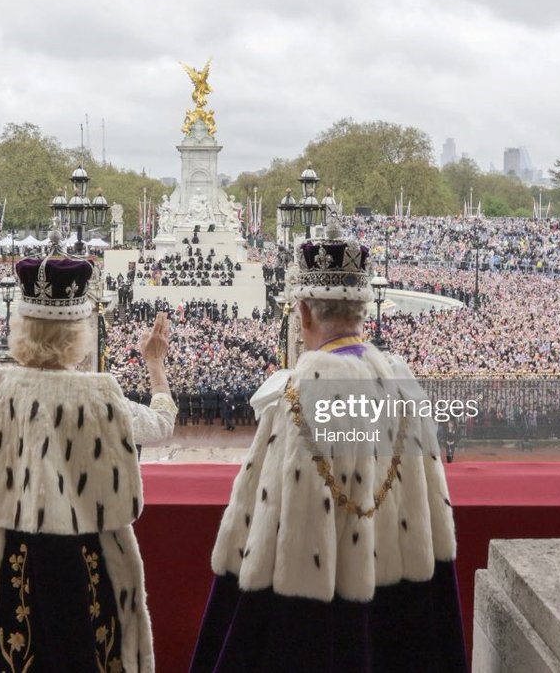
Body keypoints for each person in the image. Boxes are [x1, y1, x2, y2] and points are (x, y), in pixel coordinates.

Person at [190, 220, 466, 672]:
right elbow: (435, 517)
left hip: (320, 618)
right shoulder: (404, 386)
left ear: (303, 314)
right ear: (363, 309)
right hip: (400, 608)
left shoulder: (298, 397)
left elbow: (279, 532)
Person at [0, 238, 176, 673]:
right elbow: (161, 425)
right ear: (79, 333)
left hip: (5, 563)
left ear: (21, 328)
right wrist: (155, 367)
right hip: (85, 560)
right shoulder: (100, 396)